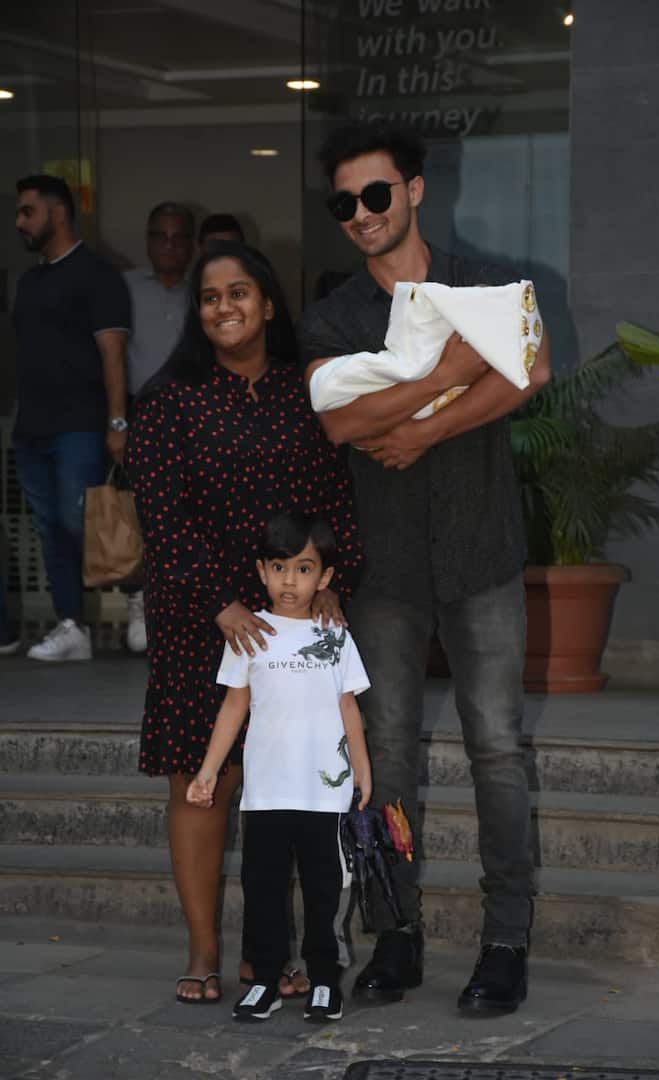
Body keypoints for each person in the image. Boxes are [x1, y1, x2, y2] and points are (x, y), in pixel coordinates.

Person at [298, 123, 551, 1014]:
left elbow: (528, 369)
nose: (361, 214)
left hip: (481, 549)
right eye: (344, 204)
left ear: (412, 191)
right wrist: (447, 371)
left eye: (375, 195)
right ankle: (395, 934)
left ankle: (506, 940)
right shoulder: (334, 313)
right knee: (388, 757)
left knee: (497, 749)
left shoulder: (485, 284)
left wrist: (417, 425)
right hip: (385, 566)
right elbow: (335, 424)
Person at [125, 242, 363, 1005]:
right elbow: (159, 517)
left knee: (288, 790)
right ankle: (203, 952)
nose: (224, 307)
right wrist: (221, 603)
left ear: (266, 302)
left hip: (292, 619)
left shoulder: (305, 391)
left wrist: (333, 582)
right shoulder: (168, 398)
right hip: (203, 621)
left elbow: (336, 500)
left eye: (239, 293)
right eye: (209, 297)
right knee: (205, 784)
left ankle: (274, 952)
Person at [187, 511, 371, 1024]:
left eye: (305, 568)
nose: (291, 581)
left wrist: (362, 770)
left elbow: (349, 708)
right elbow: (233, 707)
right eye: (279, 567)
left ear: (326, 577)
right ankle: (264, 981)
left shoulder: (335, 636)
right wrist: (208, 772)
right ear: (262, 571)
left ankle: (324, 981)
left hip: (324, 796)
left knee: (324, 891)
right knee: (263, 889)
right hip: (265, 794)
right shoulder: (249, 634)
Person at [13, 174, 130, 662]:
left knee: (83, 521)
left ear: (57, 212)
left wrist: (118, 423)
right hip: (31, 429)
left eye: (27, 211)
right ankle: (71, 627)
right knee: (50, 529)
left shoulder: (97, 275)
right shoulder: (29, 279)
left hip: (80, 425)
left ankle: (141, 592)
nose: (19, 222)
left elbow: (112, 354)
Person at [123, 201, 195, 653]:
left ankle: (184, 609)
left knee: (188, 512)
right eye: (159, 236)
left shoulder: (204, 288)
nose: (168, 246)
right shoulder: (123, 287)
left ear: (190, 243)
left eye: (178, 237)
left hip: (194, 415)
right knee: (141, 514)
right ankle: (139, 601)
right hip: (138, 413)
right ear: (148, 239)